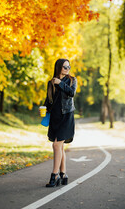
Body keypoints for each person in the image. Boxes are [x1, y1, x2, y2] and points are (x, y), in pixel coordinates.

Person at [43, 58, 77, 187]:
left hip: (66, 116)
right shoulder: (51, 82)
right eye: (64, 67)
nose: (67, 69)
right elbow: (49, 99)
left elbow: (71, 93)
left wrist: (60, 84)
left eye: (68, 67)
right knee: (60, 146)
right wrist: (44, 108)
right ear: (58, 68)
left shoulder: (72, 80)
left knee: (56, 145)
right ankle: (63, 174)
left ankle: (54, 175)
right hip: (54, 117)